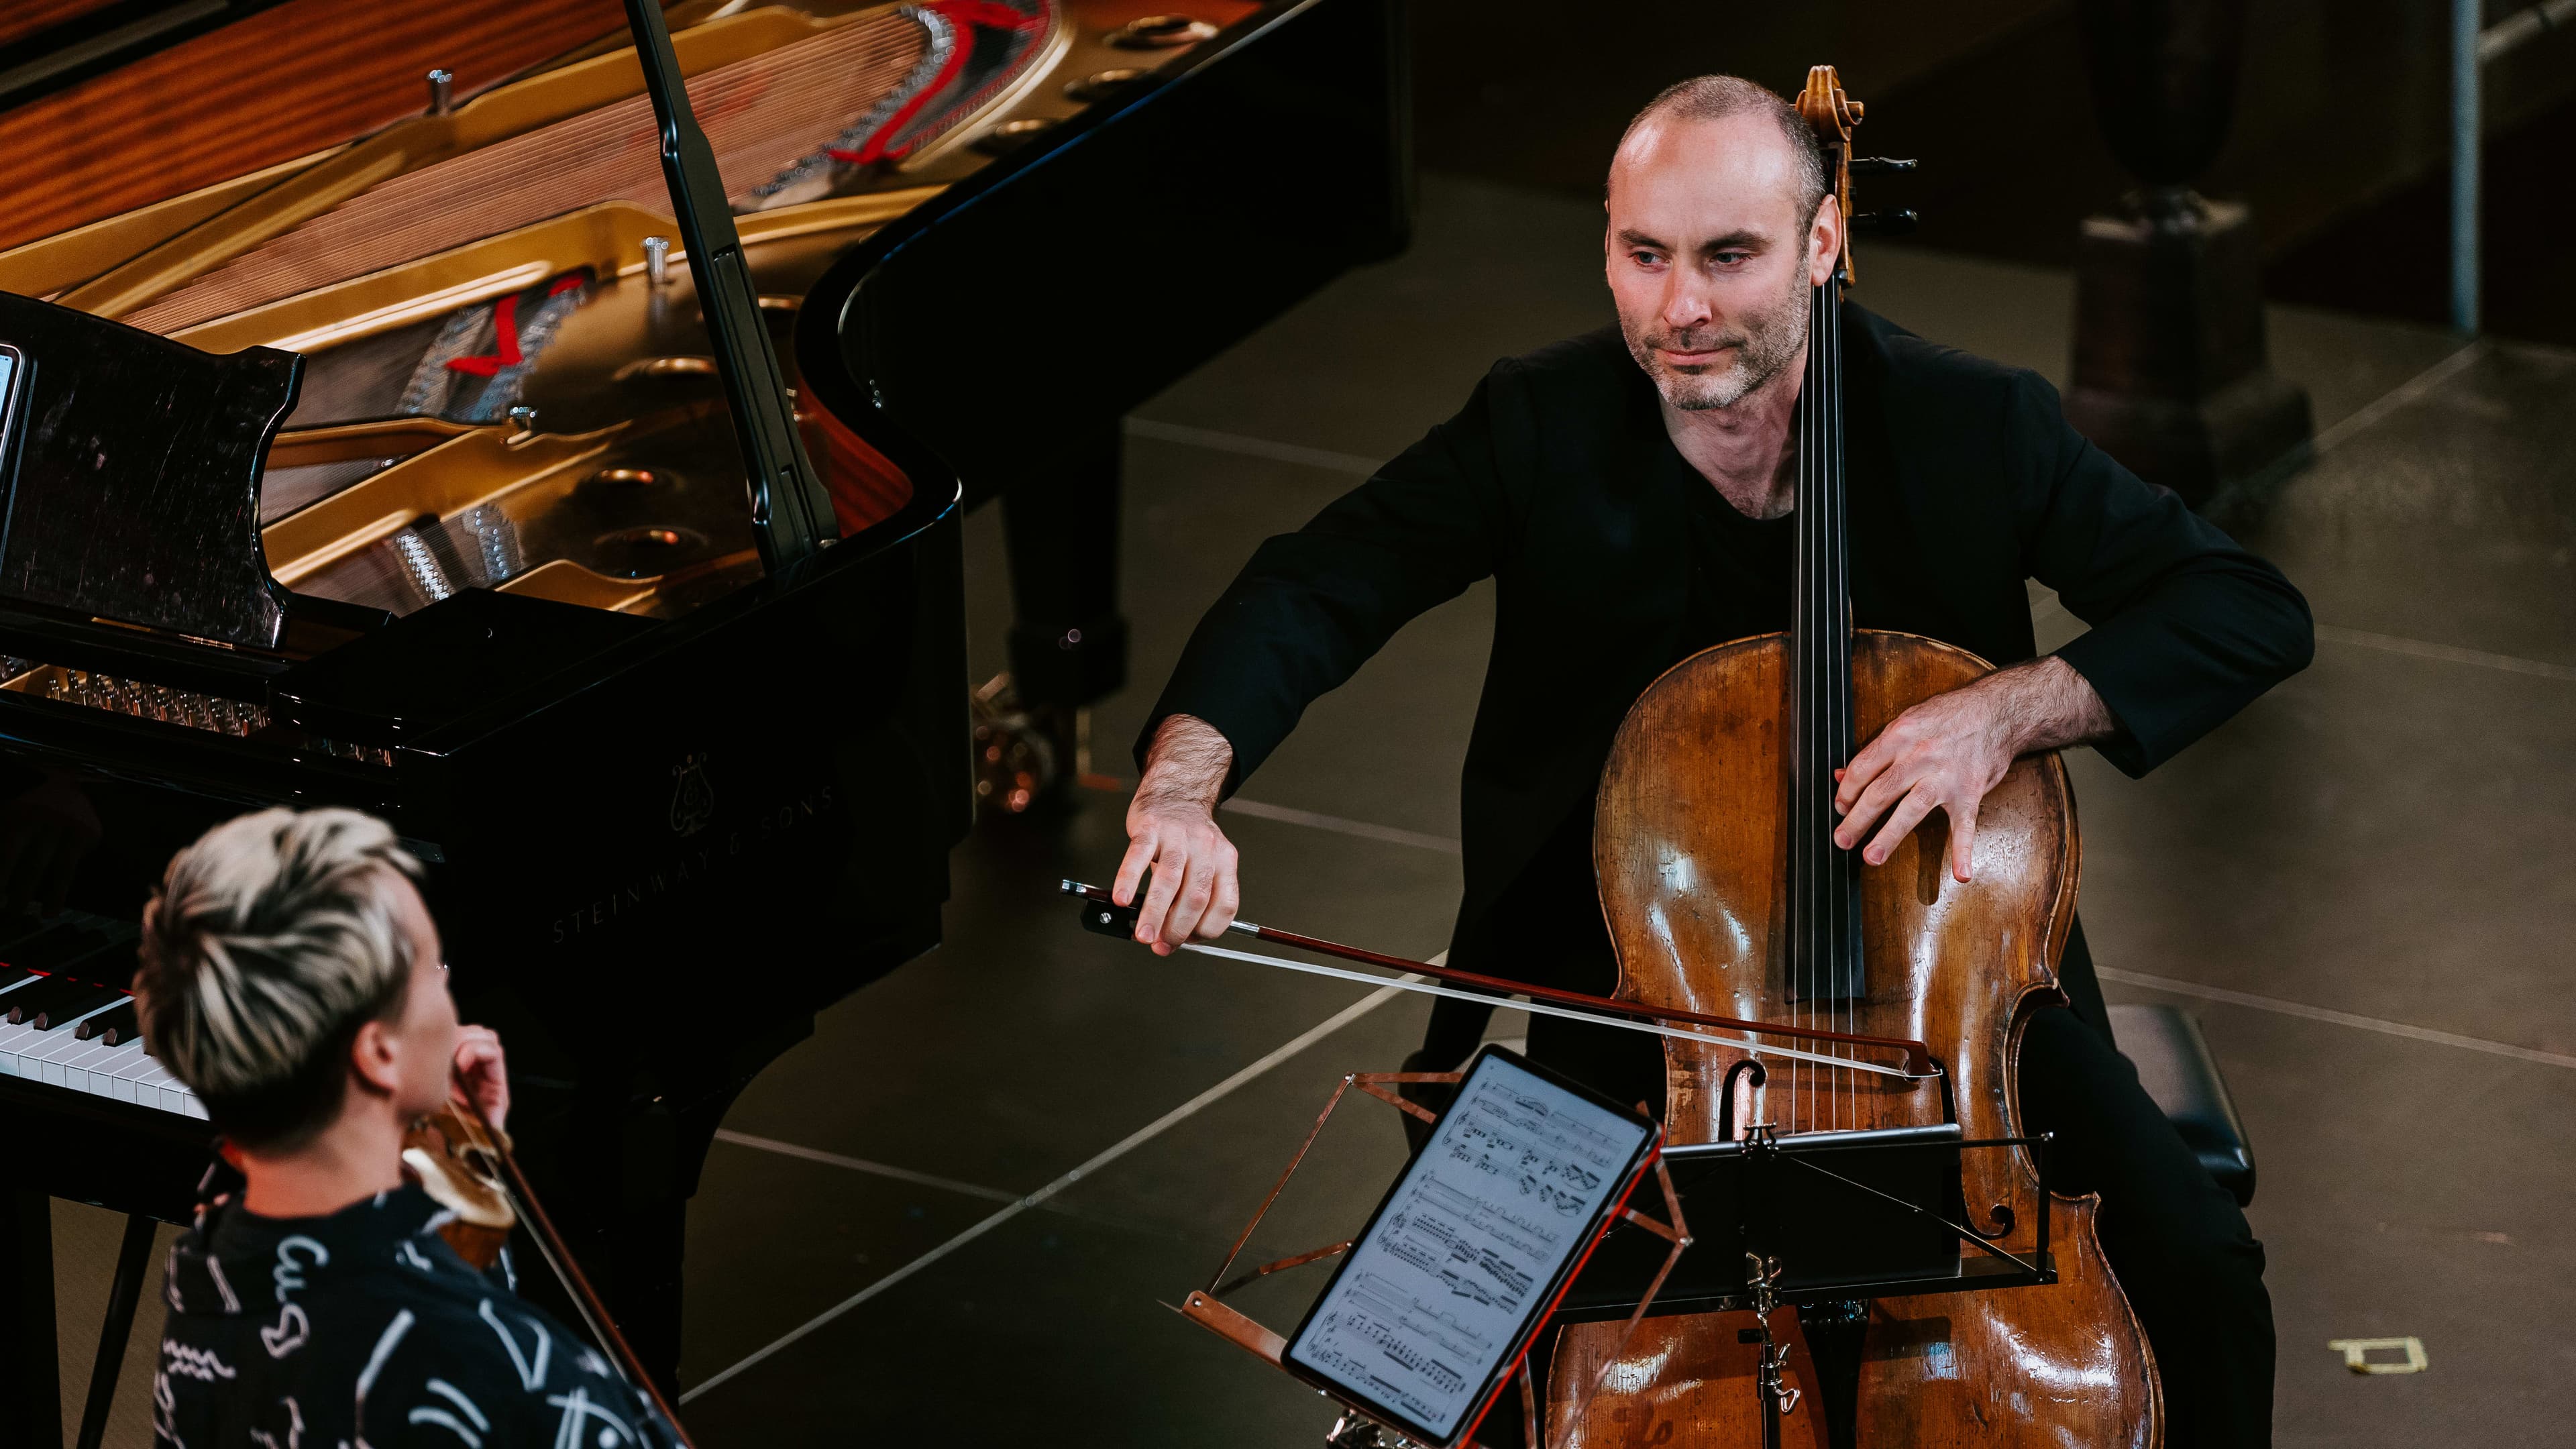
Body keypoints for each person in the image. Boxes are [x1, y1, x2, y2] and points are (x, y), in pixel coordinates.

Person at [1112, 75, 2307, 1447]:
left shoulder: (1971, 425)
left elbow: (2244, 608)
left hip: (1952, 995)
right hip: (1638, 993)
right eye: (1644, 254)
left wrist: (2008, 710)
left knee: (2203, 1275)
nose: (1678, 307)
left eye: (1729, 256)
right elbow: (1317, 584)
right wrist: (1183, 790)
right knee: (1459, 1363)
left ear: (1822, 242)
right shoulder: (1542, 422)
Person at [133, 807, 680, 1449]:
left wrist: (466, 1160)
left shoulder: (205, 1290)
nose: (449, 990)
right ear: (378, 1052)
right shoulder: (494, 1373)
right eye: (431, 969)